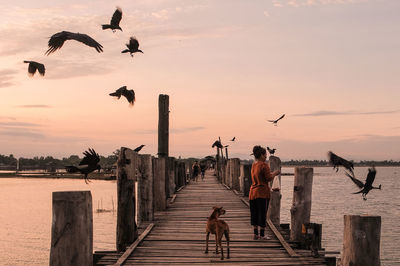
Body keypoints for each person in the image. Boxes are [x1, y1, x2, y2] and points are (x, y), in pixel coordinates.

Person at [249, 145, 280, 240]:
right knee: (262, 213)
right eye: (265, 155)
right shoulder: (263, 165)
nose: (266, 157)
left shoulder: (254, 165)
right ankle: (262, 234)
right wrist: (275, 173)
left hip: (252, 192)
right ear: (261, 155)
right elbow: (268, 178)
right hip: (262, 193)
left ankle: (255, 234)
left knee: (254, 213)